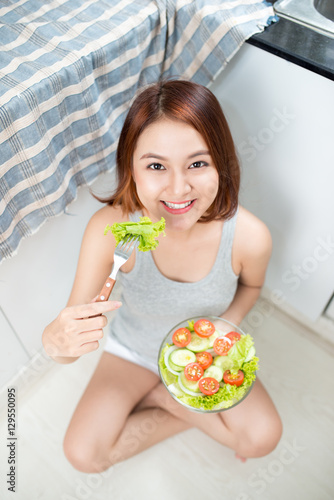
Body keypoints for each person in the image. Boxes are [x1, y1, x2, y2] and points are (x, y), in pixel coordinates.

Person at [42, 79, 282, 473]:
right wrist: (56, 342)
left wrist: (226, 328)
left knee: (262, 439)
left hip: (209, 353)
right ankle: (171, 397)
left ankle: (166, 399)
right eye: (156, 166)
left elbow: (251, 286)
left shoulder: (250, 237)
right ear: (131, 169)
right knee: (83, 456)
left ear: (221, 162)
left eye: (198, 163)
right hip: (134, 351)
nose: (178, 188)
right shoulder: (112, 230)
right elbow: (69, 340)